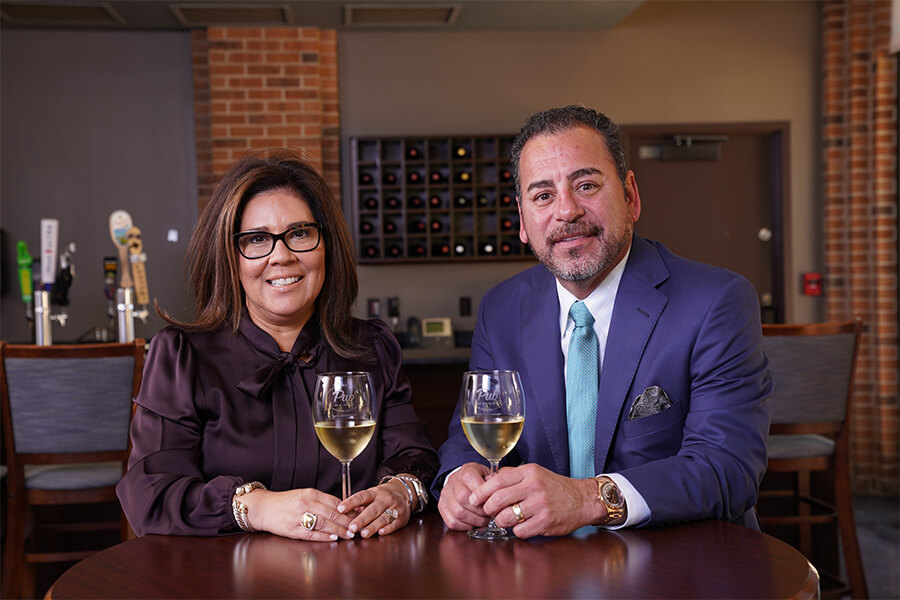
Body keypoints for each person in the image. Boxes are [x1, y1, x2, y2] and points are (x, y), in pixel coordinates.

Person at [434, 106, 771, 538]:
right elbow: (471, 437)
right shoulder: (501, 309)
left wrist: (588, 499)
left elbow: (729, 469)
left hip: (679, 563)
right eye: (543, 196)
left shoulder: (715, 302)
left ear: (630, 195)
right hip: (542, 567)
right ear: (522, 220)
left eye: (587, 185)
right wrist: (461, 476)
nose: (567, 211)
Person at [117, 150, 438, 541]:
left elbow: (416, 457)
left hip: (355, 573)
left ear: (326, 246)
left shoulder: (371, 347)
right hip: (222, 579)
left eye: (300, 233)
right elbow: (149, 495)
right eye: (256, 240)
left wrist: (400, 491)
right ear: (230, 258)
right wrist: (258, 507)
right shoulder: (183, 356)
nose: (281, 256)